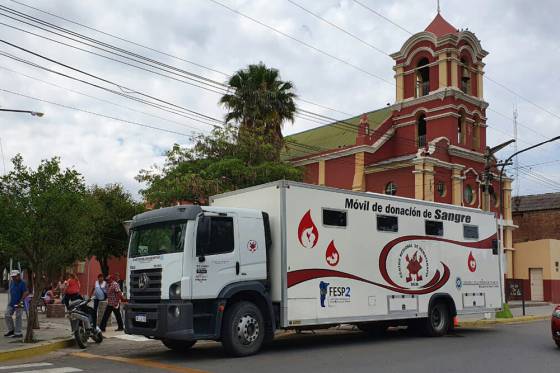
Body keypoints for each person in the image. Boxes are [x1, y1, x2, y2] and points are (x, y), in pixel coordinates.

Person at [4, 270, 28, 338]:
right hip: (12, 302)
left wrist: (21, 300)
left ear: (18, 275)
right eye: (12, 276)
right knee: (7, 315)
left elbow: (26, 292)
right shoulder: (12, 282)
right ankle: (11, 330)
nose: (14, 278)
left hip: (19, 302)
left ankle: (18, 332)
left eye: (15, 276)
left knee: (18, 317)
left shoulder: (22, 283)